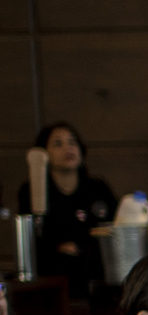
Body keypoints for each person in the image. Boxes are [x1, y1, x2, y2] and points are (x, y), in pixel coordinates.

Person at [18, 122, 115, 293]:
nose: (68, 148)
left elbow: (114, 229)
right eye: (58, 144)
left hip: (98, 276)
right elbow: (33, 242)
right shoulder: (32, 192)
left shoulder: (98, 188)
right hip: (54, 281)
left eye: (72, 142)